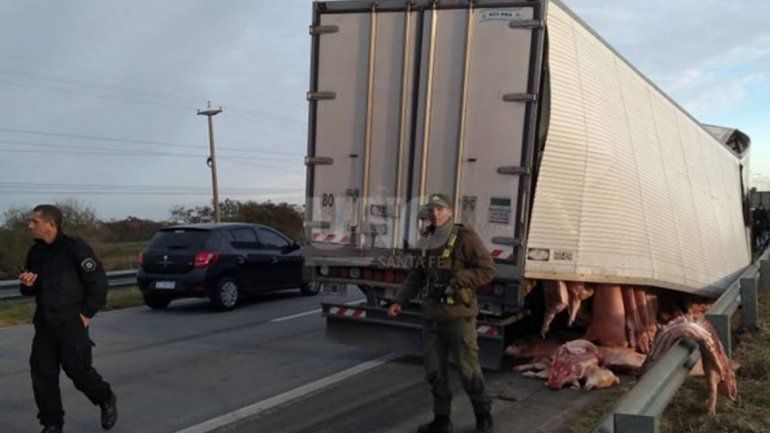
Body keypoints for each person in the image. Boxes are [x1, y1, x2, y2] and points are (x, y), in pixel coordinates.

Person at [388, 193, 495, 433]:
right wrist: (399, 301)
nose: (435, 213)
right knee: (435, 371)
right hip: (433, 317)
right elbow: (416, 275)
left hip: (458, 317)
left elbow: (487, 270)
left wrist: (459, 278)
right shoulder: (427, 238)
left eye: (440, 209)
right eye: (431, 209)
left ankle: (483, 416)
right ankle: (441, 419)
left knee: (468, 371)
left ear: (449, 211)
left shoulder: (465, 238)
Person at [18, 204, 118, 433]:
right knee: (43, 377)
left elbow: (98, 283)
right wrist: (27, 284)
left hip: (71, 322)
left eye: (35, 221)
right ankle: (52, 424)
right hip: (44, 323)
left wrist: (87, 314)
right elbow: (29, 288)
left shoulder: (75, 248)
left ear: (50, 225)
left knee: (78, 371)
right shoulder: (35, 252)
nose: (30, 225)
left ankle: (105, 397)